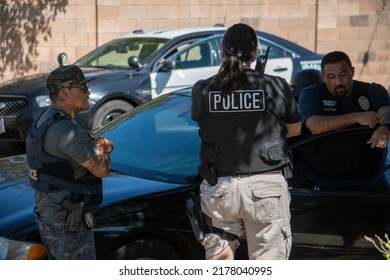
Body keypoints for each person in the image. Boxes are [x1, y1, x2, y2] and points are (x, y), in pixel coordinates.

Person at [191, 23, 301, 260]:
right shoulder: (276, 86)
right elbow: (294, 130)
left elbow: (208, 123)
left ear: (222, 51)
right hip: (266, 188)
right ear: (255, 52)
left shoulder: (202, 89)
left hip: (219, 187)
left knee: (220, 261)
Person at [26, 65, 113, 259]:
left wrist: (101, 145)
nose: (88, 92)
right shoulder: (66, 130)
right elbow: (103, 170)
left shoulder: (46, 119)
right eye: (83, 88)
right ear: (64, 92)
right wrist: (106, 147)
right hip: (68, 223)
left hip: (51, 215)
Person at [298, 51, 390, 190]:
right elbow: (315, 126)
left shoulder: (373, 90)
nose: (338, 82)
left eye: (343, 75)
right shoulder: (311, 94)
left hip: (371, 182)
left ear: (352, 71)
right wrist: (357, 117)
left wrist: (385, 127)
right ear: (322, 76)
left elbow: (386, 111)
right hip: (323, 184)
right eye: (331, 77)